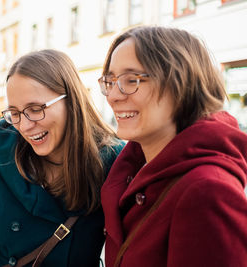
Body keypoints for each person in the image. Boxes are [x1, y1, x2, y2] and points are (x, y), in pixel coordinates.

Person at [0, 49, 124, 267]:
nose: (24, 126)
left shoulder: (111, 162)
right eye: (14, 113)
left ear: (70, 101)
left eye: (35, 109)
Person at [99, 26, 247, 267]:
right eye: (110, 81)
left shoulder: (208, 191)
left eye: (131, 80)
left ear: (180, 83)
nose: (113, 96)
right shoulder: (131, 173)